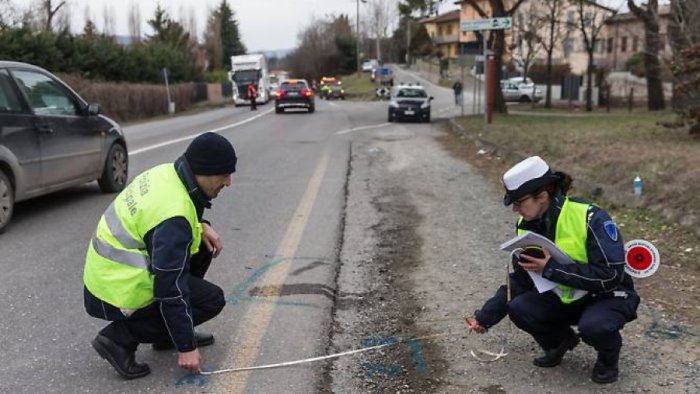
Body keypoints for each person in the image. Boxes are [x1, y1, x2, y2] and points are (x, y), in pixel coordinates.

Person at [466, 156, 639, 384]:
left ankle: (608, 358)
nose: (515, 209)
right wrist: (485, 318)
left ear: (543, 195)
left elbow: (610, 275)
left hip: (606, 296)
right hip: (567, 298)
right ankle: (560, 342)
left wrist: (552, 269)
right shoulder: (526, 225)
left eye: (519, 201)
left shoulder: (590, 217)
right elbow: (519, 281)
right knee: (518, 307)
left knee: (594, 327)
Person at [83, 132, 237, 379]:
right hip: (116, 290)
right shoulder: (173, 217)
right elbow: (169, 286)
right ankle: (118, 339)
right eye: (224, 175)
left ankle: (165, 333)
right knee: (211, 300)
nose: (228, 182)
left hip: (107, 275)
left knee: (201, 246)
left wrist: (201, 224)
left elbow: (164, 221)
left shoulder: (171, 173)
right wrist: (186, 345)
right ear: (204, 172)